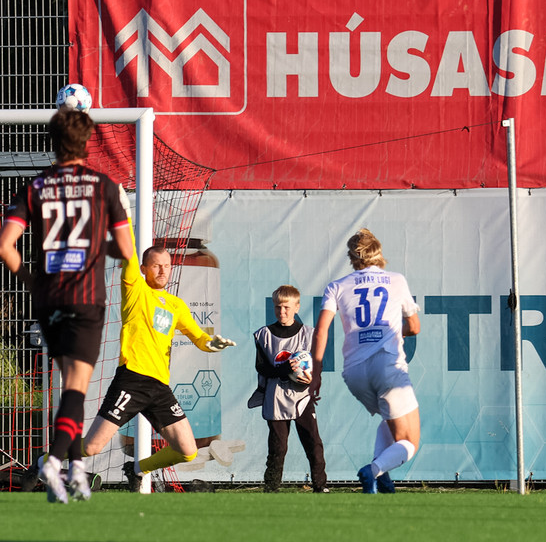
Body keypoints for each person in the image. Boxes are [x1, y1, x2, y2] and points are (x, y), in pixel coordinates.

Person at [0, 107, 134, 503]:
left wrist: (31, 282)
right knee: (77, 387)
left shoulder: (36, 186)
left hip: (49, 297)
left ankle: (76, 469)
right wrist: (98, 247)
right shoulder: (103, 186)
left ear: (53, 142)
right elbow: (127, 250)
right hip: (86, 297)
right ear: (88, 142)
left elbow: (5, 246)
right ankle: (54, 461)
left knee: (69, 387)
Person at [79, 239, 236, 491]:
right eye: (156, 266)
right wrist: (122, 214)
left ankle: (137, 469)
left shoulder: (176, 305)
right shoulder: (135, 290)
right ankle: (44, 461)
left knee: (188, 451)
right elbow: (127, 250)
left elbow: (199, 337)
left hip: (159, 387)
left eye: (167, 265)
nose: (163, 271)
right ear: (143, 269)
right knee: (91, 447)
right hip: (131, 380)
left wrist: (212, 344)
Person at [309, 228, 420, 493]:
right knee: (409, 441)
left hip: (354, 372)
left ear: (352, 257)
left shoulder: (337, 286)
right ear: (378, 253)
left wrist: (316, 373)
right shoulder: (396, 280)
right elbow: (414, 327)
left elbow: (321, 331)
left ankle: (382, 477)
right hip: (387, 365)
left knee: (389, 417)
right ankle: (374, 470)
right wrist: (395, 331)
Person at [249, 285, 328, 493]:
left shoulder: (309, 334)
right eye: (278, 307)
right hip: (275, 398)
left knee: (313, 443)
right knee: (278, 448)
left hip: (302, 398)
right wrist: (286, 369)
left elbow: (317, 364)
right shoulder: (264, 335)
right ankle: (271, 488)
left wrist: (311, 380)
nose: (282, 311)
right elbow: (262, 367)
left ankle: (320, 486)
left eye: (286, 307)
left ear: (297, 307)